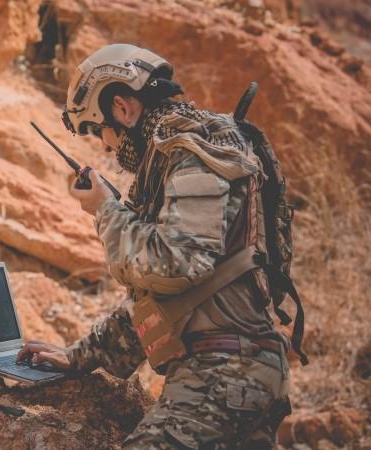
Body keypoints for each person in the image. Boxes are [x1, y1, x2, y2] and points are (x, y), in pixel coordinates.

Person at [17, 44, 296, 449]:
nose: (105, 147)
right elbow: (171, 301)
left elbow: (177, 263)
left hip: (224, 372)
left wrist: (106, 211)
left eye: (99, 130)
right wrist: (80, 357)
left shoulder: (191, 152)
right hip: (235, 370)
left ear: (122, 108)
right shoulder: (184, 150)